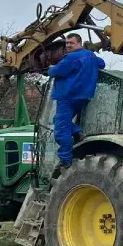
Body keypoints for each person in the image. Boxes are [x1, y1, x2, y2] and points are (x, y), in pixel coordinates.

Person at [47, 33, 106, 167]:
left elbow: (56, 71)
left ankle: (65, 161)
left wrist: (49, 69)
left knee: (62, 130)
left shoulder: (70, 58)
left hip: (67, 97)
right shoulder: (90, 56)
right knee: (58, 120)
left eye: (71, 43)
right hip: (83, 96)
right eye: (67, 43)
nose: (68, 45)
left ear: (79, 43)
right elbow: (102, 64)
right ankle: (77, 133)